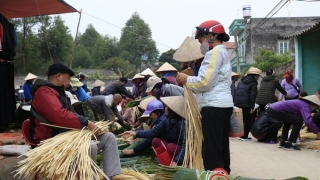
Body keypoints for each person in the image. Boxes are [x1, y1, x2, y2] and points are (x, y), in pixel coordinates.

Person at [30, 63, 121, 178]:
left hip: (67, 136)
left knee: (109, 138)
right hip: (50, 140)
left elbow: (70, 115)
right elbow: (60, 116)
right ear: (58, 76)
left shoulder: (59, 92)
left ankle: (109, 177)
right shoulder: (44, 92)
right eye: (68, 78)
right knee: (90, 146)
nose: (69, 83)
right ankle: (89, 177)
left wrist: (88, 128)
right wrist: (87, 123)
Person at [176, 20, 233, 173]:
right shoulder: (222, 52)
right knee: (220, 148)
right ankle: (223, 174)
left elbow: (205, 82)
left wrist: (186, 79)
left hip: (214, 106)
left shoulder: (214, 53)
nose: (201, 44)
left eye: (201, 40)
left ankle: (215, 175)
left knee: (211, 151)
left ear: (211, 36)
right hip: (221, 105)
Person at [121, 97, 185, 167]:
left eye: (167, 107)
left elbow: (184, 145)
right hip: (172, 145)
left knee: (170, 147)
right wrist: (134, 133)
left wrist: (177, 160)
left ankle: (175, 164)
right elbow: (152, 132)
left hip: (180, 151)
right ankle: (167, 163)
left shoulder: (182, 123)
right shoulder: (167, 119)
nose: (165, 108)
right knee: (155, 141)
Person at [234, 67, 261, 140]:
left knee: (242, 120)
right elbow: (252, 96)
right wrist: (252, 107)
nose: (258, 77)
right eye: (258, 76)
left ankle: (241, 135)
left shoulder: (241, 81)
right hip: (247, 104)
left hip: (238, 103)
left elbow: (238, 92)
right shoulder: (253, 83)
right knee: (248, 120)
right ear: (255, 76)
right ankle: (244, 136)